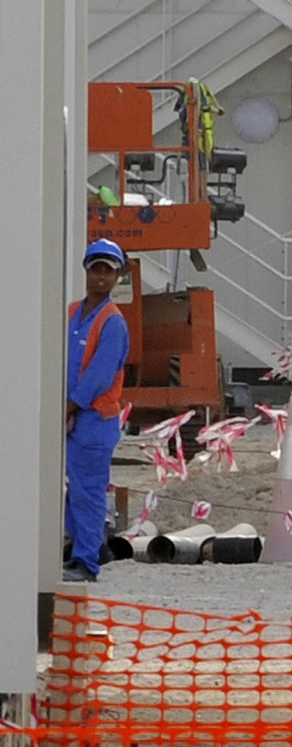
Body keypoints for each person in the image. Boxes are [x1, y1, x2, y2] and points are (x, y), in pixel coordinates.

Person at [64, 239, 132, 583]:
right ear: (87, 271)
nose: (101, 277)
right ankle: (88, 548)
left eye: (108, 270)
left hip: (94, 419)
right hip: (73, 414)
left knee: (87, 490)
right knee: (73, 490)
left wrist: (68, 407)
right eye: (96, 269)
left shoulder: (112, 323)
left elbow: (98, 377)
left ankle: (86, 562)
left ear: (117, 276)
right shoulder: (73, 313)